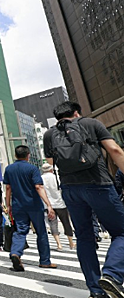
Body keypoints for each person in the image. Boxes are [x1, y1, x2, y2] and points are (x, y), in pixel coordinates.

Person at [44, 101, 124, 298]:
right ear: (77, 112)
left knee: (84, 237)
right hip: (98, 184)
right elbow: (115, 151)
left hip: (70, 189)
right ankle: (112, 275)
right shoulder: (91, 124)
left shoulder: (49, 134)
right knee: (121, 232)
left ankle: (96, 291)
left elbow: (51, 162)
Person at [4, 145, 57, 272]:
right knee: (41, 232)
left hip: (18, 205)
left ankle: (16, 252)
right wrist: (48, 205)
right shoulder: (32, 168)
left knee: (20, 231)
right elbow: (38, 187)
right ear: (28, 155)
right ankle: (45, 261)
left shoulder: (9, 169)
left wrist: (8, 205)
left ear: (15, 155)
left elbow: (8, 188)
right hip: (34, 205)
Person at [40, 163, 75, 251]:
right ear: (51, 169)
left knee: (53, 223)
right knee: (66, 222)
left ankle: (59, 244)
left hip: (48, 205)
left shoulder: (41, 178)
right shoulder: (56, 177)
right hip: (60, 203)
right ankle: (71, 242)